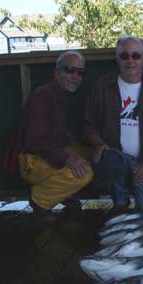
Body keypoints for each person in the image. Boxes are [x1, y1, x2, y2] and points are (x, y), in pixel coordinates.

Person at [85, 36, 143, 211]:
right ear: (117, 58)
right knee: (113, 160)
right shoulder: (102, 86)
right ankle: (119, 200)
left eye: (136, 55)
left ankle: (129, 196)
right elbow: (88, 123)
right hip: (115, 162)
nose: (130, 61)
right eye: (124, 56)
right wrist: (99, 145)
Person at [18, 50, 94, 218]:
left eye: (80, 72)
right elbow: (35, 141)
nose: (75, 76)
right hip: (32, 161)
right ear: (57, 72)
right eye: (70, 70)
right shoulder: (43, 96)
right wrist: (67, 159)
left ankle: (63, 194)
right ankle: (39, 200)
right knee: (84, 173)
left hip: (52, 153)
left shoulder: (65, 96)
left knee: (96, 155)